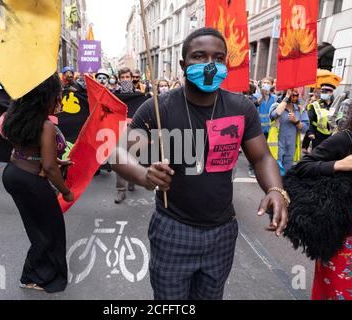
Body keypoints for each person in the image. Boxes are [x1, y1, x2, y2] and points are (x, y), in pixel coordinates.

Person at [111, 27, 289, 300]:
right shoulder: (157, 108)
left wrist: (275, 191)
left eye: (218, 58)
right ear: (183, 65)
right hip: (173, 229)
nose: (210, 65)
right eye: (199, 56)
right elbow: (120, 155)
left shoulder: (241, 108)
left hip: (222, 233)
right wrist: (145, 175)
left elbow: (261, 156)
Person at [292, 79, 352, 300]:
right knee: (345, 291)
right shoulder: (347, 139)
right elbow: (302, 167)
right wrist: (338, 165)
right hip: (347, 232)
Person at [2, 73, 73, 293]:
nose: (58, 101)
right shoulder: (46, 126)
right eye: (56, 96)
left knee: (37, 227)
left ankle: (34, 273)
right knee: (50, 230)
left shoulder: (17, 116)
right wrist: (66, 191)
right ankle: (36, 276)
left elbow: (28, 151)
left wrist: (57, 159)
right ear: (44, 98)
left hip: (13, 174)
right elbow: (50, 169)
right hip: (30, 182)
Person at [268, 89, 310, 172]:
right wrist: (286, 97)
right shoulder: (276, 105)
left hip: (291, 147)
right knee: (275, 171)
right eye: (291, 93)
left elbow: (305, 128)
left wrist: (296, 121)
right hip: (277, 146)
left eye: (296, 94)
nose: (294, 95)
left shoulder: (300, 109)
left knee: (287, 172)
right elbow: (275, 114)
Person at [114, 67, 136, 203]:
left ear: (132, 78)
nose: (125, 80)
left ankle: (133, 179)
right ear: (119, 79)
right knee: (120, 160)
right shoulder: (113, 95)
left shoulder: (139, 94)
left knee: (133, 158)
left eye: (128, 77)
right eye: (123, 78)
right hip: (118, 131)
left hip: (135, 131)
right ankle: (121, 190)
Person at [248, 77, 277, 178]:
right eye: (264, 82)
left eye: (268, 82)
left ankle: (266, 169)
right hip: (257, 128)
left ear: (272, 85)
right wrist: (262, 96)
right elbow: (253, 106)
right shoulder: (255, 96)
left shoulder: (275, 98)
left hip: (270, 129)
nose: (265, 84)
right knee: (256, 150)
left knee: (267, 151)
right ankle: (252, 168)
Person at [306, 83, 335, 149]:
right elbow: (309, 119)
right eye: (322, 92)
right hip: (317, 135)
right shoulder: (315, 105)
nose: (323, 94)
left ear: (331, 93)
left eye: (325, 92)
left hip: (331, 136)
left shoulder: (335, 105)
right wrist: (310, 132)